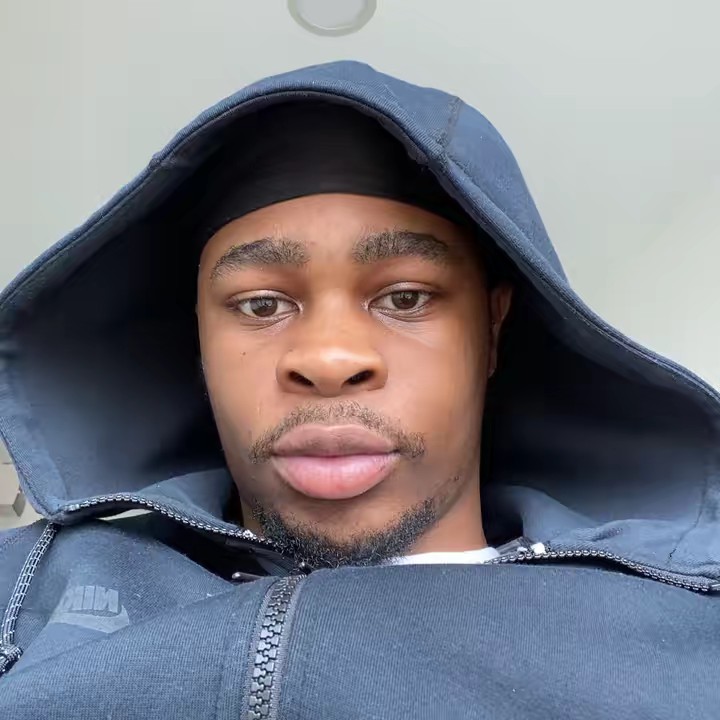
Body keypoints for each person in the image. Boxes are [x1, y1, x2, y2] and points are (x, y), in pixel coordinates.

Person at [0, 61, 717, 718]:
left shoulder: (687, 640)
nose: (329, 359)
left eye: (405, 297)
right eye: (260, 304)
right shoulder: (25, 586)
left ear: (493, 330)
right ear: (198, 340)